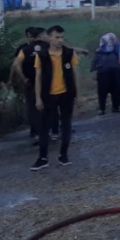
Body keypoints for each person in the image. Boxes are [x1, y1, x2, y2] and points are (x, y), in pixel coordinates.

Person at [30, 26, 80, 170]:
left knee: (66, 125)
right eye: (57, 37)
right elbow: (38, 78)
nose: (60, 40)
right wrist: (38, 98)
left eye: (62, 37)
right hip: (48, 95)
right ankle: (43, 157)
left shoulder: (69, 53)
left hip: (66, 94)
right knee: (44, 127)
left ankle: (63, 154)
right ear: (49, 37)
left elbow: (76, 74)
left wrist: (78, 95)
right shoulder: (42, 55)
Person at [11, 27, 48, 145]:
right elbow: (16, 65)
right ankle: (41, 131)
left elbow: (15, 65)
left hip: (32, 82)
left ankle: (41, 132)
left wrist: (21, 78)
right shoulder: (45, 46)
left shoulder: (25, 49)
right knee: (40, 107)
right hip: (40, 82)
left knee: (35, 108)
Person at [91, 33, 120, 115]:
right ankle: (102, 109)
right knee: (102, 92)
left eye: (110, 40)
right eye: (108, 40)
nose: (110, 42)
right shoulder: (98, 52)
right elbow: (94, 62)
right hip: (102, 74)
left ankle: (116, 107)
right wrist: (93, 72)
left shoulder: (116, 50)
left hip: (115, 73)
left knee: (116, 91)